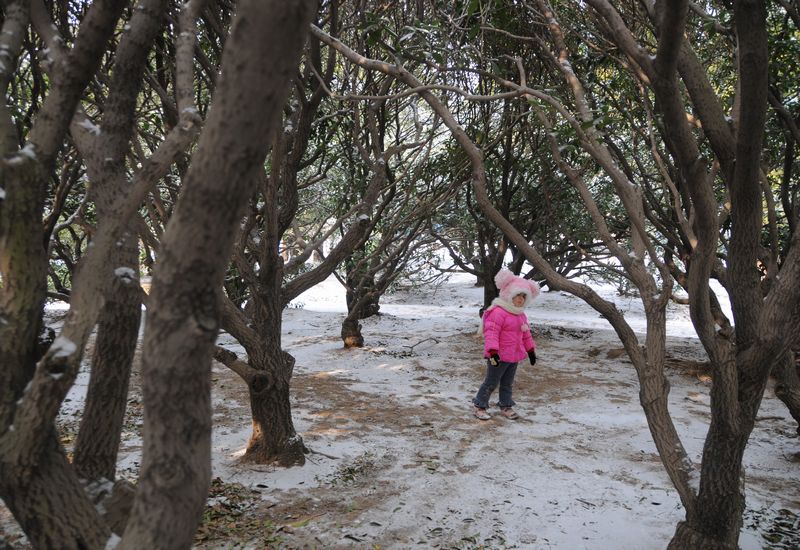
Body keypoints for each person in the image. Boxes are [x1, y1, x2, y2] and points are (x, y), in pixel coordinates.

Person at [473, 269, 540, 420]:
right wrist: (492, 352)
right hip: (498, 356)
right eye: (517, 295)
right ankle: (480, 405)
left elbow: (526, 333)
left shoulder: (520, 315)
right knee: (491, 382)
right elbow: (492, 333)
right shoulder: (498, 312)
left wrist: (530, 350)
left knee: (507, 384)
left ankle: (505, 405)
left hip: (513, 356)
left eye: (524, 296)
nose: (520, 299)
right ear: (508, 294)